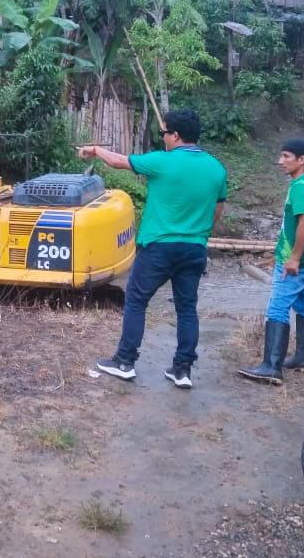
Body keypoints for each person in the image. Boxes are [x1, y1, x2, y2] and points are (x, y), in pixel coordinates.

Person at [79, 109, 228, 389]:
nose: (163, 138)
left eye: (164, 133)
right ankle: (182, 370)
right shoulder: (217, 169)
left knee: (136, 300)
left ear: (176, 135)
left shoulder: (162, 161)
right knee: (187, 308)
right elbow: (217, 211)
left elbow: (120, 161)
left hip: (159, 247)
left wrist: (96, 150)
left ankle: (125, 362)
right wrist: (198, 231)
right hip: (195, 248)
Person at [239, 139, 304, 385]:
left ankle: (271, 367)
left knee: (277, 308)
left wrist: (293, 258)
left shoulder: (300, 187)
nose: (280, 161)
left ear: (301, 160)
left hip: (294, 262)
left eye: (286, 156)